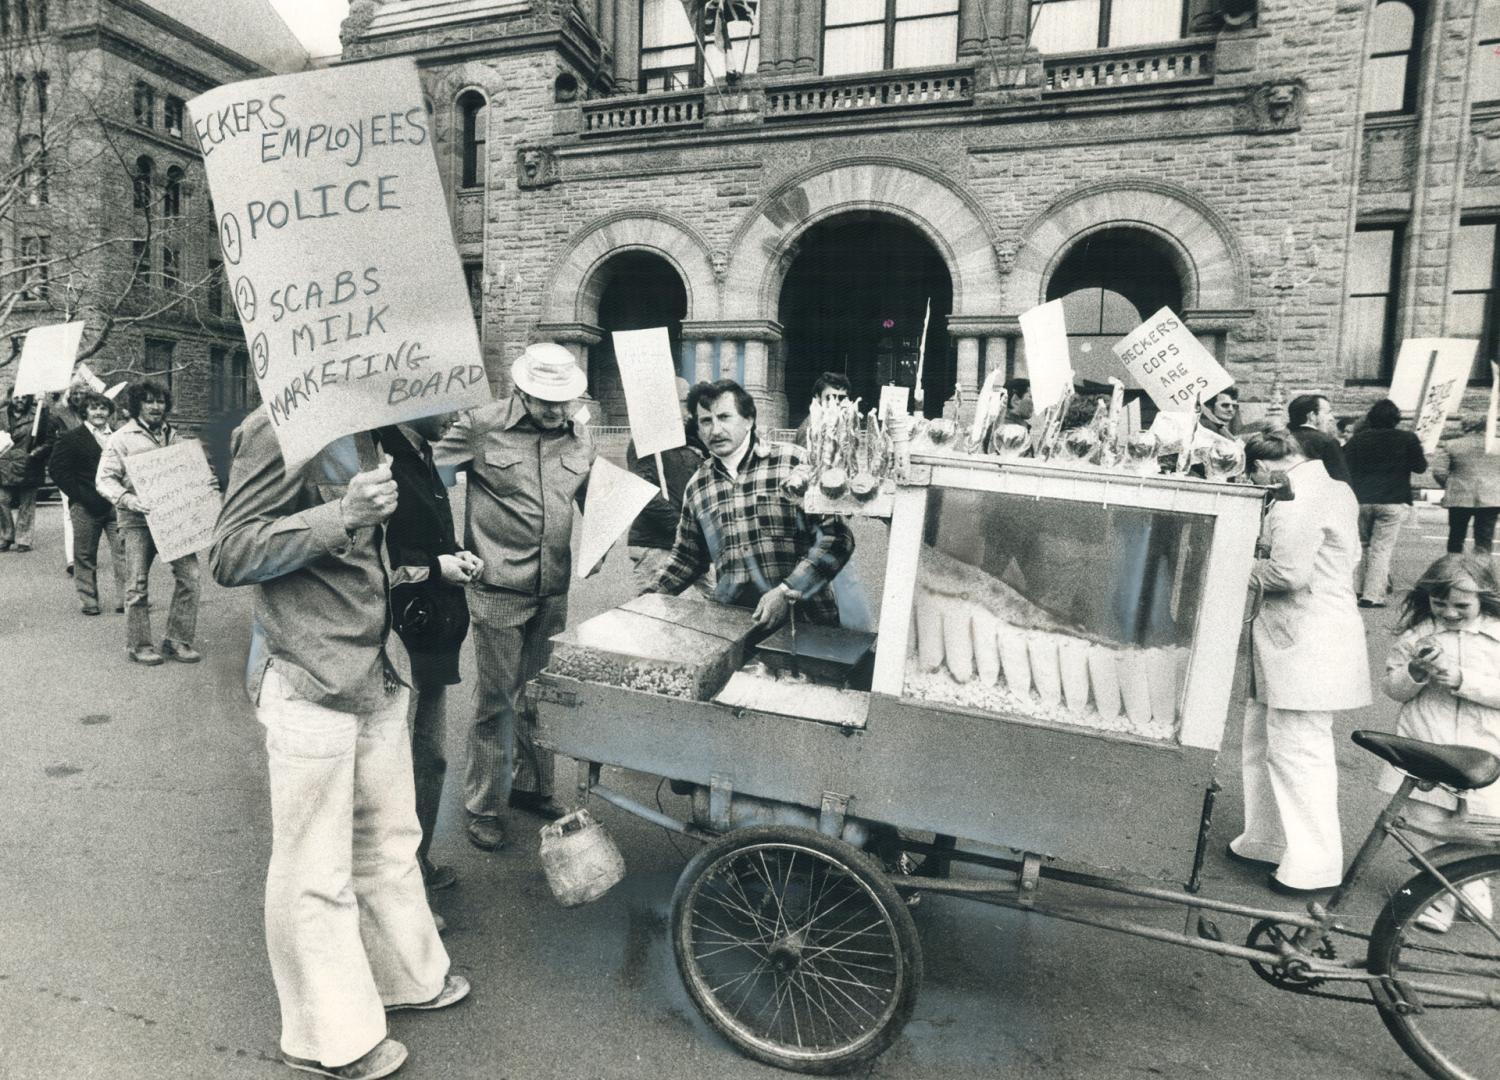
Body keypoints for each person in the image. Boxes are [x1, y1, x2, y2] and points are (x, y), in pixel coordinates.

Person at [212, 409, 467, 1080]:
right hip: (306, 670)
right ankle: (325, 1038)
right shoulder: (276, 426)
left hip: (372, 664)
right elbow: (231, 552)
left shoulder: (374, 424)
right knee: (312, 867)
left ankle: (405, 978)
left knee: (388, 835)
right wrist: (342, 515)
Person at [431, 343, 595, 852]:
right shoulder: (481, 425)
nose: (554, 409)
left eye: (562, 400)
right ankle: (483, 805)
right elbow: (427, 480)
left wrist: (607, 533)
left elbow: (591, 496)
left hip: (553, 588)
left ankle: (530, 787)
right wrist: (446, 549)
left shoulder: (579, 437)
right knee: (498, 700)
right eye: (545, 399)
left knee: (538, 697)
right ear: (521, 388)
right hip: (497, 587)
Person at [1228, 431, 1371, 895]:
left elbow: (1288, 574)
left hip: (1303, 639)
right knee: (1266, 738)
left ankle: (1314, 863)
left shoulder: (1294, 498)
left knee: (1297, 749)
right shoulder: (1334, 487)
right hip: (1305, 635)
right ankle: (1265, 838)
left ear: (1265, 467)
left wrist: (1235, 561)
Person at [645, 378, 855, 629]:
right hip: (734, 629)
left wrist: (787, 590)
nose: (715, 430)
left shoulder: (794, 463)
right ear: (698, 429)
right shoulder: (698, 486)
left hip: (806, 622)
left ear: (748, 419)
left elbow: (838, 539)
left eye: (724, 417)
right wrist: (646, 599)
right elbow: (687, 558)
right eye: (706, 421)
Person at [376, 419, 482, 897]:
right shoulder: (383, 457)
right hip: (405, 633)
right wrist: (439, 567)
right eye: (448, 396)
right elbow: (376, 563)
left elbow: (429, 536)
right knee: (407, 760)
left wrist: (458, 554)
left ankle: (415, 863)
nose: (459, 414)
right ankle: (402, 881)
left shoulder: (420, 453)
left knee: (429, 758)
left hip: (435, 625)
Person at [1377, 554, 1500, 932]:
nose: (1449, 612)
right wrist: (1413, 673)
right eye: (1439, 603)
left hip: (1484, 746)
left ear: (1484, 599)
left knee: (1483, 822)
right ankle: (1457, 889)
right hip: (1429, 742)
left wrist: (1464, 679)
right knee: (1425, 819)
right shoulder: (1417, 636)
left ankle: (1462, 882)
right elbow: (1393, 689)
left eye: (1461, 605)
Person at [95, 381, 203, 665]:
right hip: (137, 521)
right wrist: (129, 500)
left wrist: (205, 482)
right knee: (137, 584)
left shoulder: (174, 436)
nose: (156, 407)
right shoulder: (121, 438)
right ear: (136, 405)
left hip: (173, 520)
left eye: (160, 401)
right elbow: (104, 480)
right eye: (148, 401)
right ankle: (139, 645)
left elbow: (190, 471)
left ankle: (177, 640)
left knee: (190, 576)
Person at [625, 376, 710, 596]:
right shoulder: (645, 440)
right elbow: (643, 494)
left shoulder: (691, 441)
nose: (689, 411)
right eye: (683, 402)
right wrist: (682, 528)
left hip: (691, 546)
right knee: (656, 617)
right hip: (657, 545)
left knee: (714, 609)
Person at [1343, 398, 1428, 608]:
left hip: (1361, 499)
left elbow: (1344, 467)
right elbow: (1420, 468)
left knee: (1360, 546)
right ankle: (1373, 595)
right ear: (1396, 419)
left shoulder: (1357, 440)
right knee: (1381, 549)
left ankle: (1356, 589)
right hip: (1392, 498)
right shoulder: (1407, 438)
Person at [48, 392, 127, 615]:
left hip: (116, 505)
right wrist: (80, 495)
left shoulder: (119, 437)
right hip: (85, 506)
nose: (99, 412)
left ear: (109, 412)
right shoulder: (72, 437)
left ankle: (126, 599)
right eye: (94, 408)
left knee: (124, 553)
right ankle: (88, 600)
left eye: (103, 408)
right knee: (84, 554)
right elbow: (57, 470)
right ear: (85, 412)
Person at [0, 384, 59, 553]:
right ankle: (5, 536)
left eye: (24, 397)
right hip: (4, 464)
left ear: (29, 399)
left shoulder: (39, 415)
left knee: (27, 503)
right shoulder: (1, 416)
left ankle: (23, 539)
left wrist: (34, 454)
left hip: (28, 463)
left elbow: (49, 440)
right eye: (16, 397)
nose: (20, 401)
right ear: (10, 398)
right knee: (2, 501)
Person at [1431, 418, 1500, 555]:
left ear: (1465, 427)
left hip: (1459, 496)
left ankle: (1453, 570)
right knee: (1484, 540)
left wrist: (1450, 484)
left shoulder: (1451, 445)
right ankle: (1482, 571)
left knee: (1456, 537)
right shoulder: (1497, 445)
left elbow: (1439, 471)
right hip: (1491, 497)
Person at [1287, 392, 1350, 483]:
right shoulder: (1327, 442)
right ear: (1312, 416)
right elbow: (1342, 482)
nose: (1331, 418)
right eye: (1328, 412)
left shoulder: (1281, 439)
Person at [793, 372, 851, 447]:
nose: (836, 402)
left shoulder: (840, 422)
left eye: (841, 398)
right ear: (818, 397)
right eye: (830, 397)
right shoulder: (811, 428)